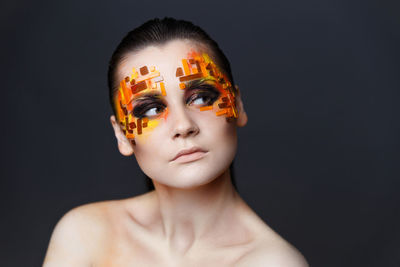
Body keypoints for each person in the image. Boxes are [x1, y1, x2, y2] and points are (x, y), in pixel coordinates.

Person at [43, 18, 308, 267]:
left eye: (202, 97)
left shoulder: (273, 262)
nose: (183, 125)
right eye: (149, 110)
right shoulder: (85, 234)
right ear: (122, 135)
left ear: (237, 105)